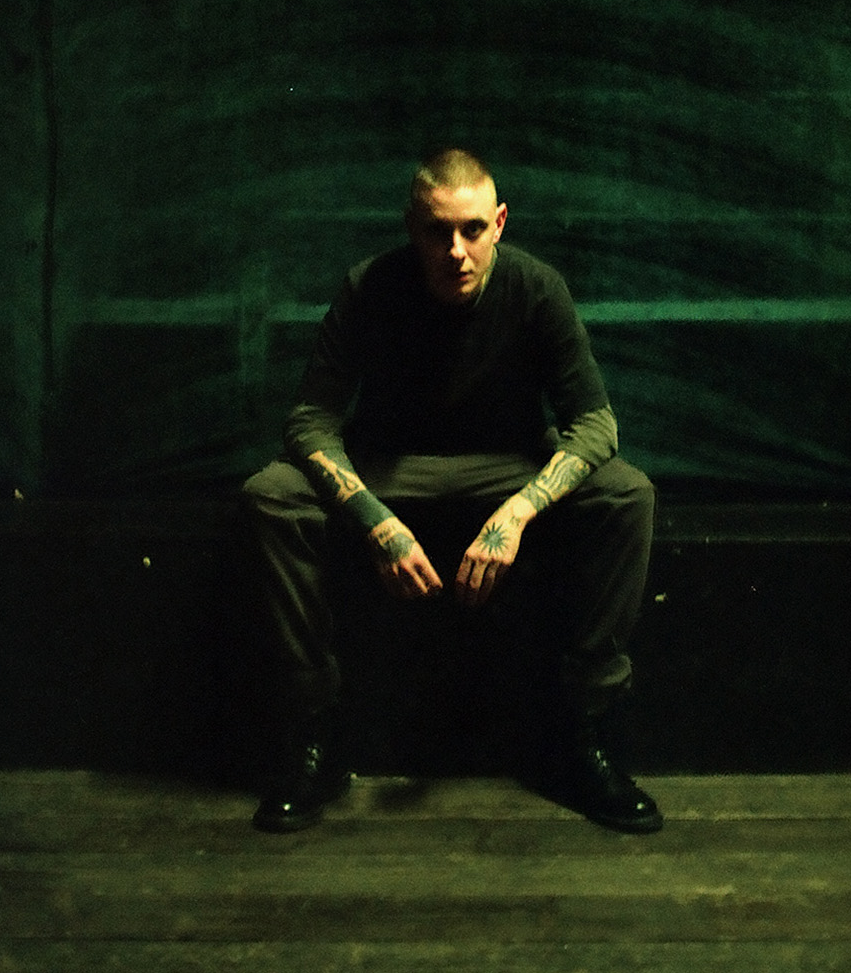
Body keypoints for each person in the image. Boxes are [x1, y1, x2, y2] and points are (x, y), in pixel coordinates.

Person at [242, 148, 661, 833]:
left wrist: (518, 513)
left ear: (499, 223)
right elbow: (310, 420)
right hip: (389, 467)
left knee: (627, 494)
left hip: (508, 467)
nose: (457, 252)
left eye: (472, 229)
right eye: (439, 232)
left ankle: (588, 732)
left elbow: (594, 422)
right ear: (413, 228)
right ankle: (312, 734)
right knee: (270, 494)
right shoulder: (370, 285)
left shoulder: (535, 287)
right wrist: (375, 520)